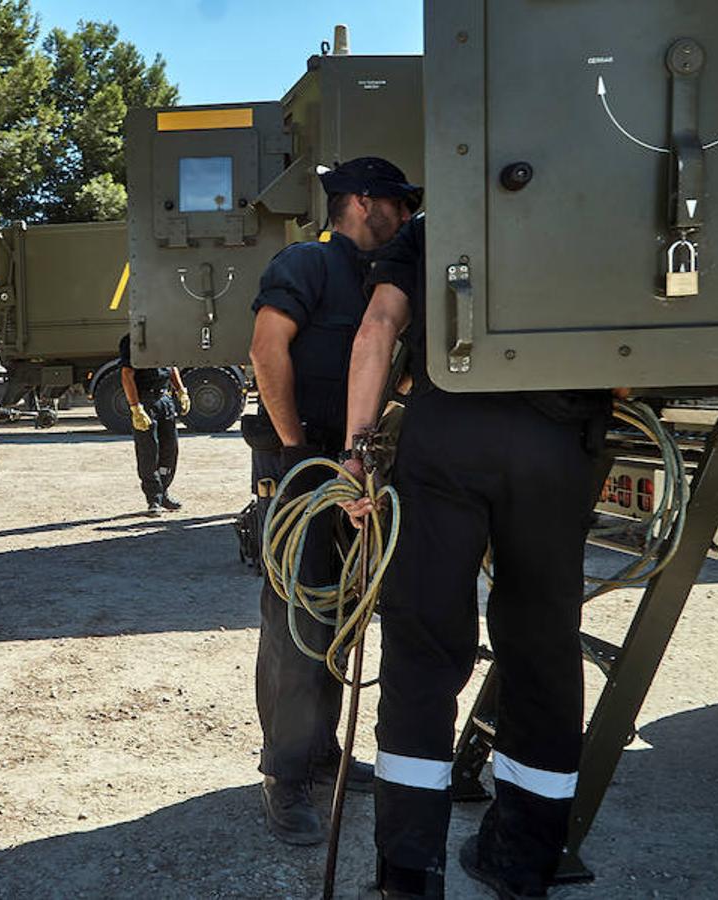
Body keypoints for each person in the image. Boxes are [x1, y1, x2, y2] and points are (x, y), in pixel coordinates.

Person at [340, 215, 611, 899]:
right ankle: (523, 863)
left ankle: (408, 873)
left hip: (449, 433)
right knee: (544, 648)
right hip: (558, 443)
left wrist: (357, 453)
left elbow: (378, 327)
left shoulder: (438, 223)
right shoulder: (598, 212)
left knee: (423, 644)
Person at [246, 156, 420, 845]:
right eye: (397, 204)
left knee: (342, 610)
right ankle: (285, 774)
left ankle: (321, 752)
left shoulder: (382, 275)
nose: (405, 217)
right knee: (297, 620)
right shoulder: (307, 263)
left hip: (356, 468)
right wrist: (294, 450)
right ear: (358, 201)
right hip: (303, 464)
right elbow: (266, 350)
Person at [118, 332, 189, 516]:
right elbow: (127, 374)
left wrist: (181, 391)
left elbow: (172, 366)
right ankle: (153, 499)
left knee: (169, 450)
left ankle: (164, 491)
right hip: (145, 401)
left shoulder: (164, 336)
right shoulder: (131, 340)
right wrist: (135, 407)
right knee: (148, 452)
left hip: (164, 399)